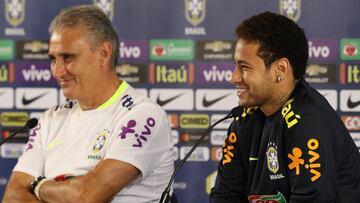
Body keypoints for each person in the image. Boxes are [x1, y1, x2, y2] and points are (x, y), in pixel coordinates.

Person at [3, 5, 174, 203]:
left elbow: (86, 197)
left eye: (68, 57)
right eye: (53, 59)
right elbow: (13, 196)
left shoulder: (143, 115)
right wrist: (63, 190)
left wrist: (36, 185)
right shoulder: (50, 118)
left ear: (103, 54)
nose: (58, 72)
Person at [210, 11, 360, 203]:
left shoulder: (309, 123)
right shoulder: (244, 119)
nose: (233, 77)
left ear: (280, 69)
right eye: (235, 66)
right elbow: (225, 195)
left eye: (244, 67)